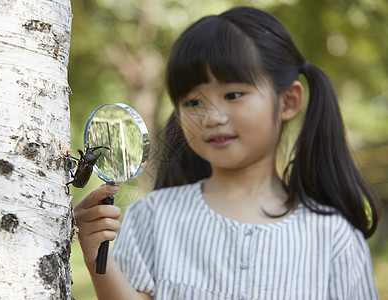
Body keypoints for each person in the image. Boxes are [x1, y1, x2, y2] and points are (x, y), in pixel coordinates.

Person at [74, 6, 381, 299]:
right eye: (193, 102)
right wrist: (95, 257)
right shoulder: (152, 217)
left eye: (233, 94)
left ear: (287, 102)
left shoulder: (333, 237)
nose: (212, 118)